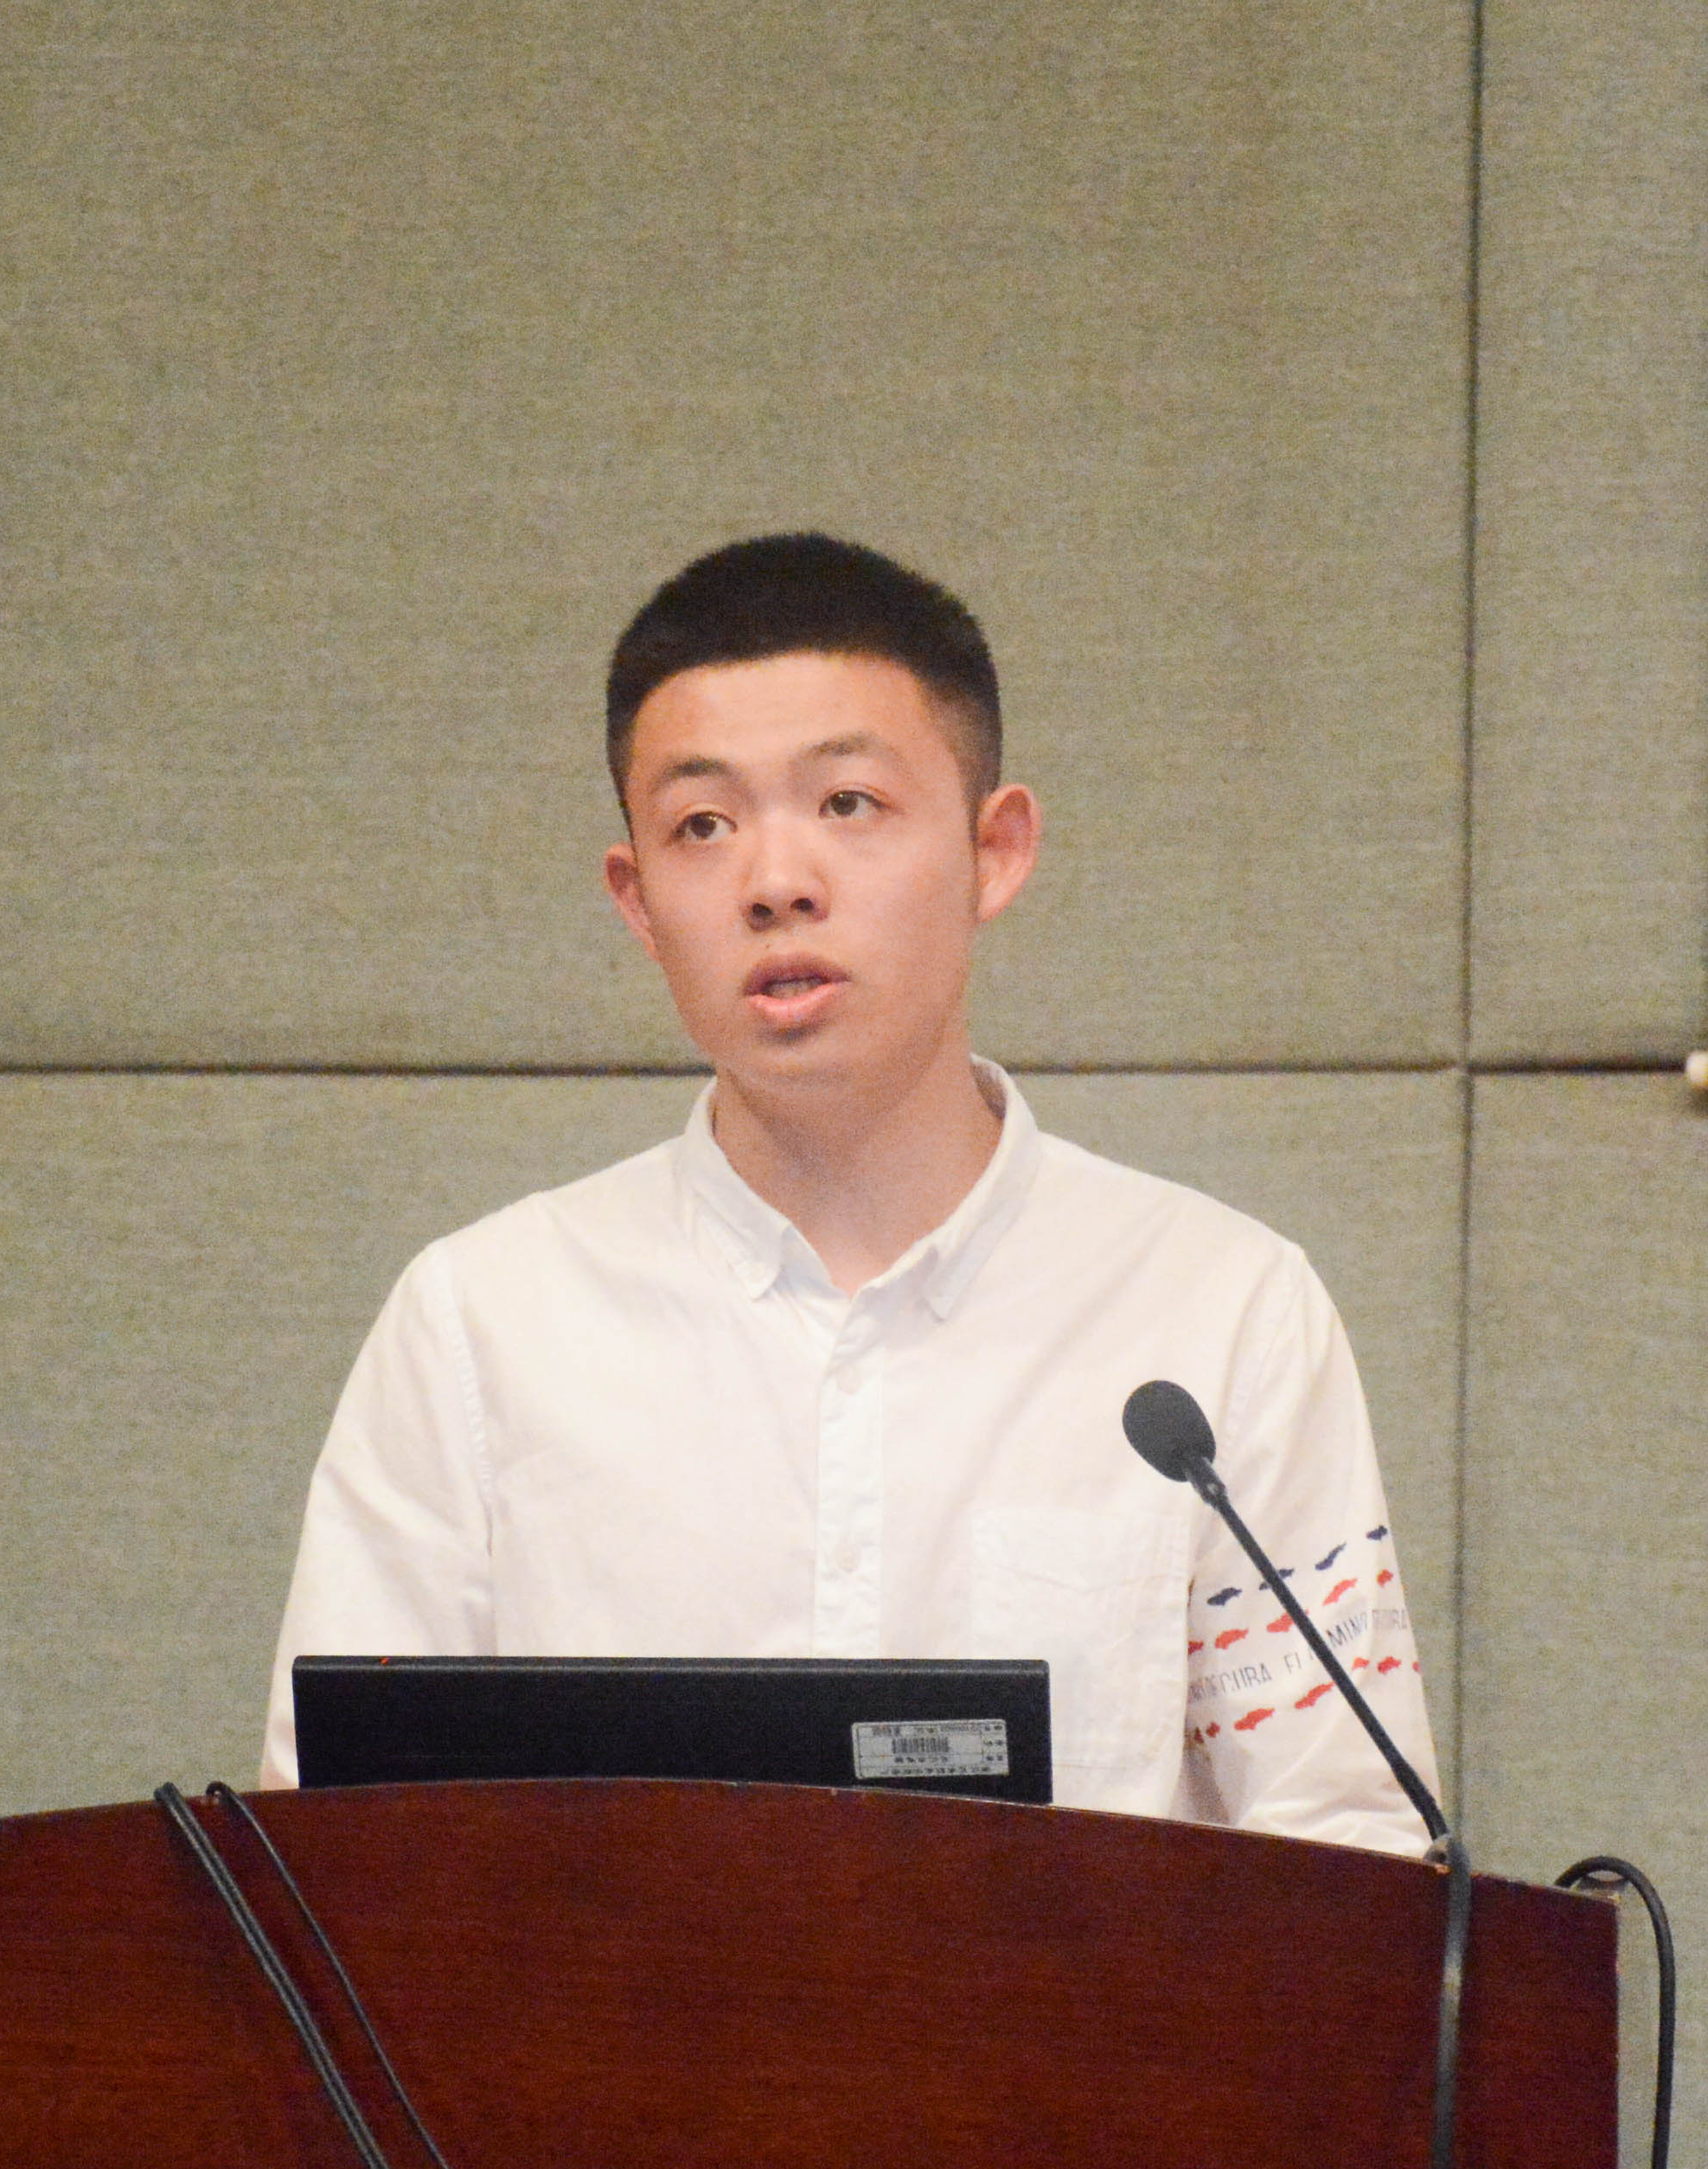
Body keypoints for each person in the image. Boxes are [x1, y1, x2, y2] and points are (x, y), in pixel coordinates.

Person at [260, 533, 1437, 1853]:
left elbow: (1352, 1856)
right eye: (702, 827)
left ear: (996, 851)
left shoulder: (1218, 1315)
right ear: (636, 900)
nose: (776, 884)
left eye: (848, 804)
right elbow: (325, 1863)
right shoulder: (481, 1326)